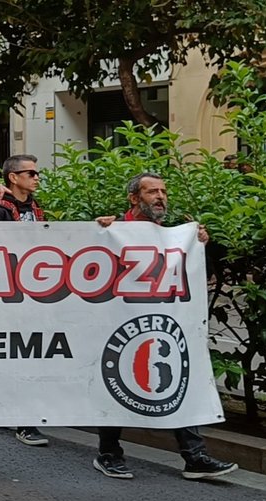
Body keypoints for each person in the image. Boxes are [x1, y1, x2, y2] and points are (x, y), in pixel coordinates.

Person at [91, 172, 236, 481]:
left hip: (160, 323)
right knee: (114, 381)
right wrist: (97, 231)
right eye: (152, 191)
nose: (160, 197)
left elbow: (198, 277)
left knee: (176, 379)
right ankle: (108, 453)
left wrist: (199, 246)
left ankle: (194, 456)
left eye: (163, 191)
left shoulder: (172, 236)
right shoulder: (112, 229)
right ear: (134, 198)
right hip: (117, 321)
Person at [0, 154, 51, 447]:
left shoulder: (36, 211)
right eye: (30, 173)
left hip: (31, 295)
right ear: (12, 177)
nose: (36, 177)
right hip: (5, 297)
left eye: (36, 172)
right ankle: (22, 420)